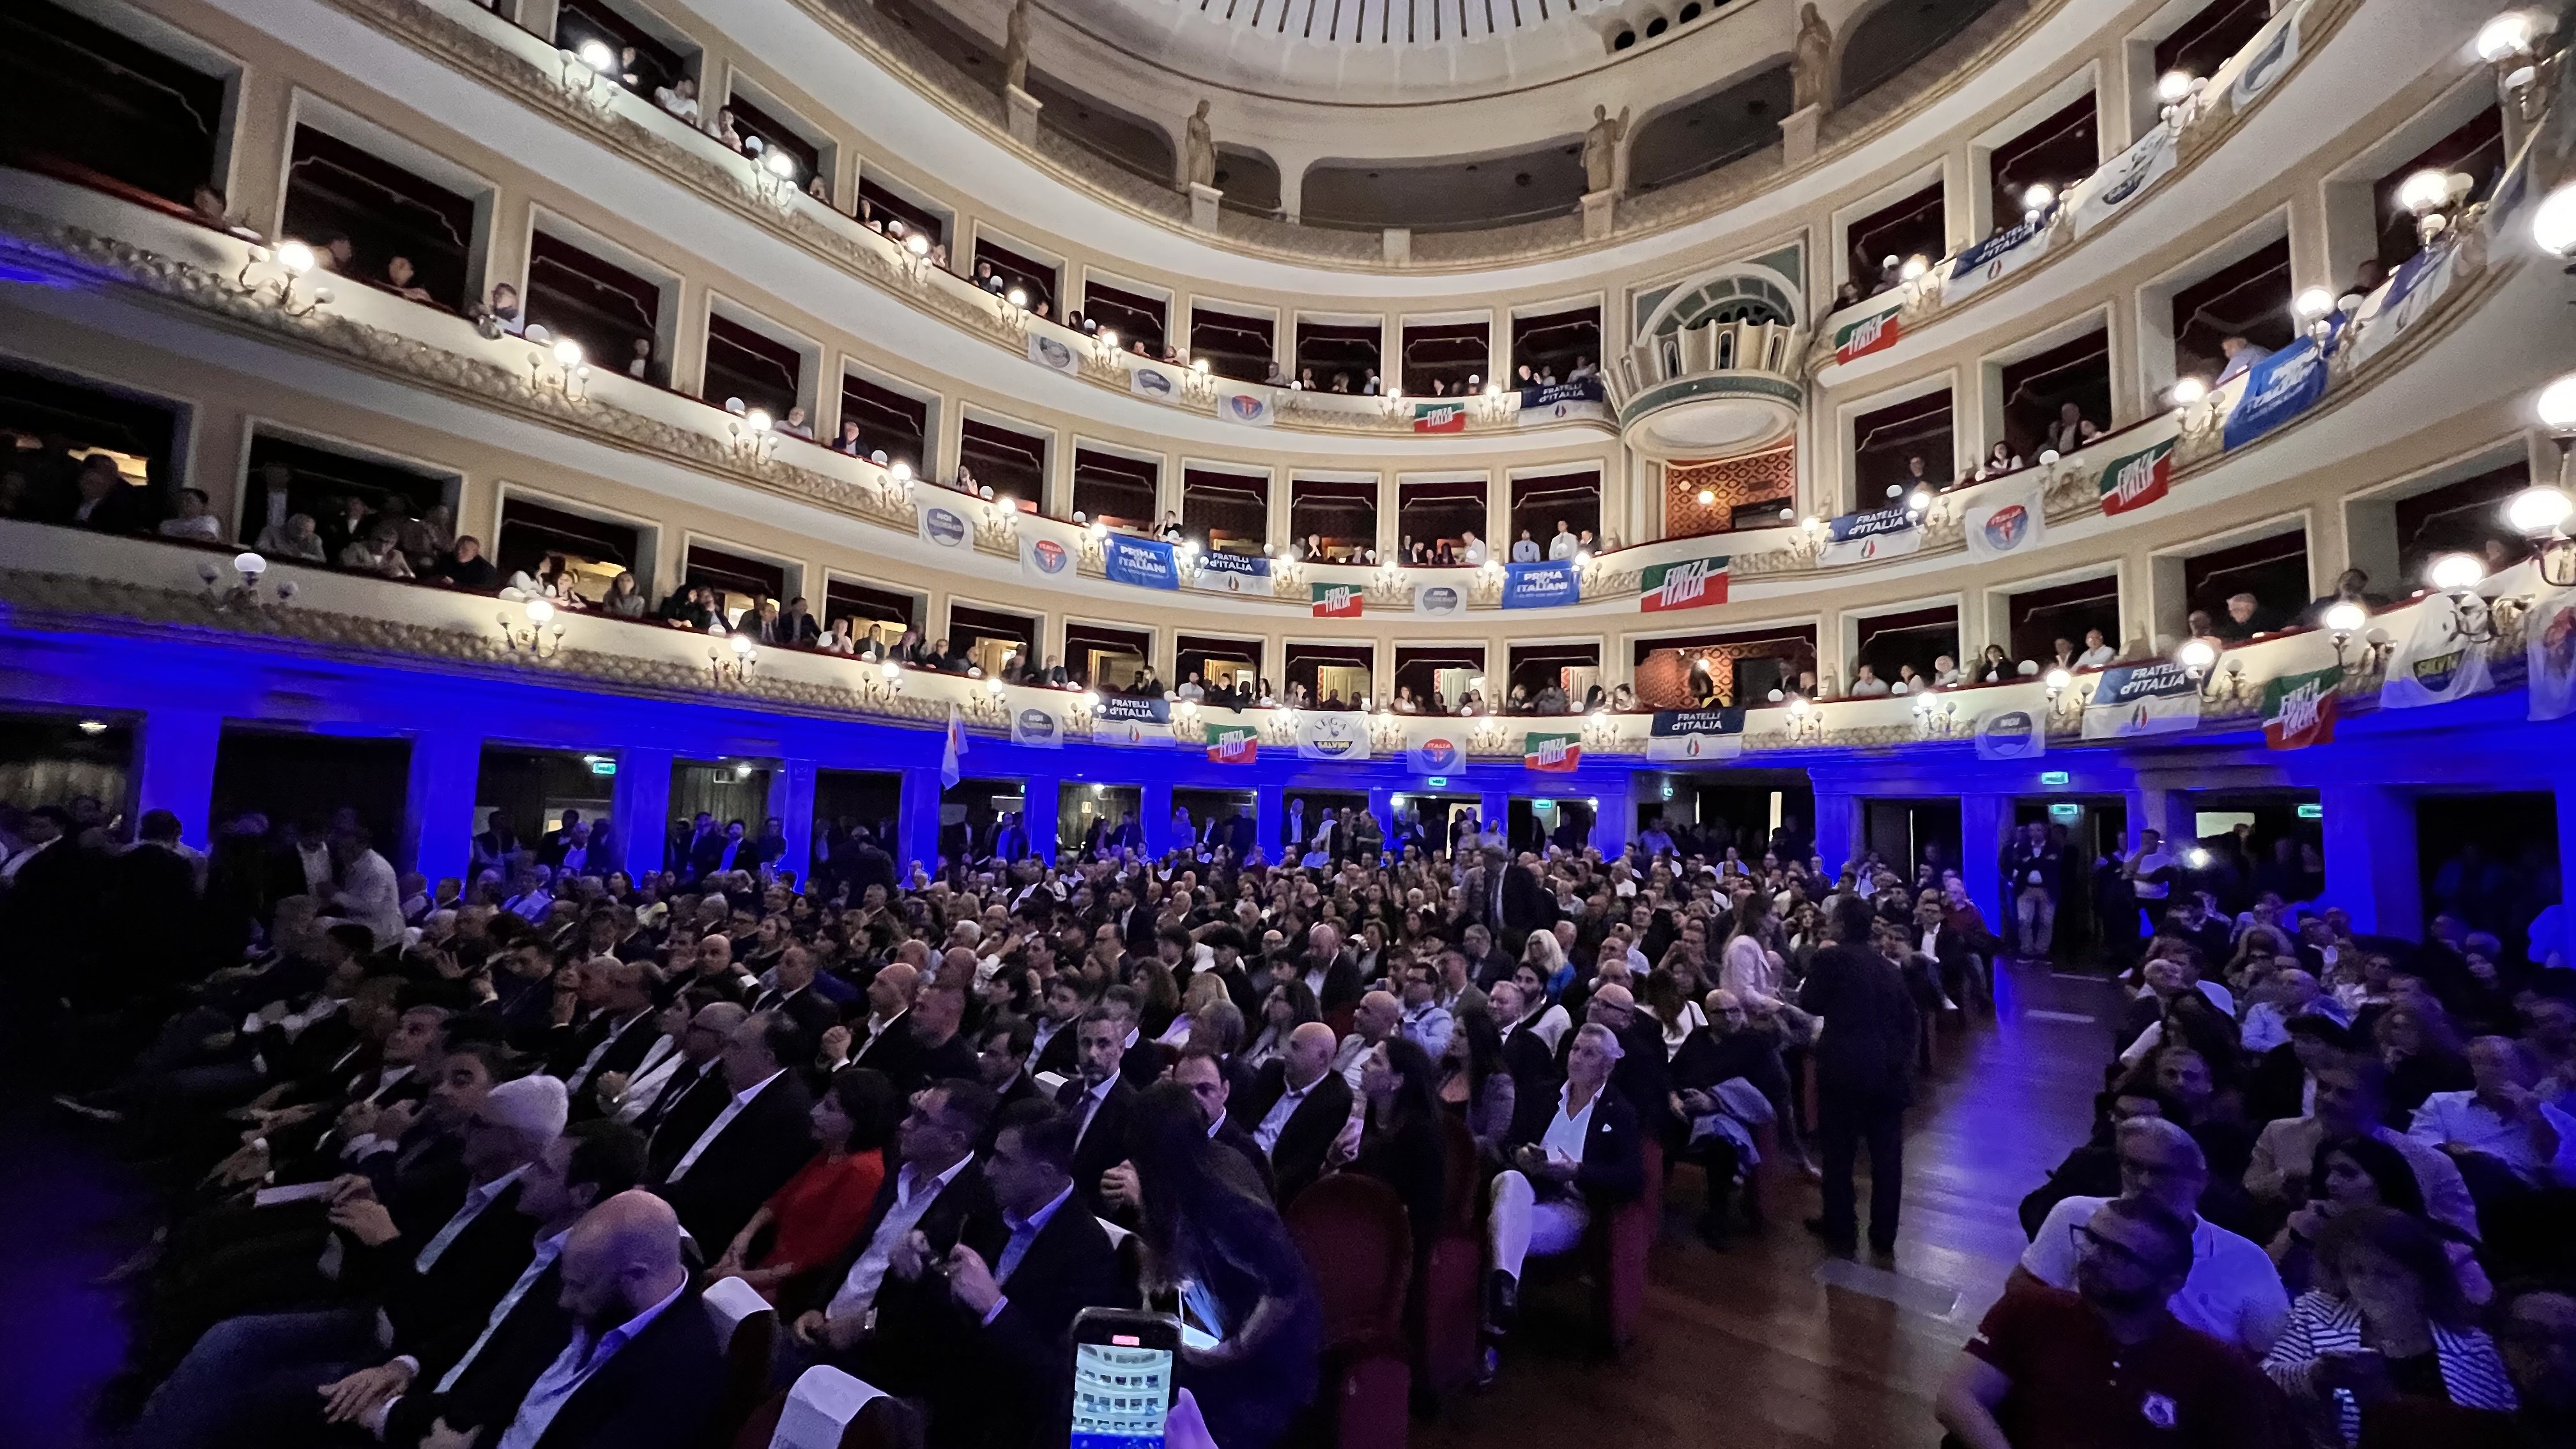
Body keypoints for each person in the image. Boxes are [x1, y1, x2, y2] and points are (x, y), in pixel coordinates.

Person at [1938, 1195, 2288, 1449]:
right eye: (2091, 1239)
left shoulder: (2215, 1367)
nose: (2091, 1257)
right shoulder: (2032, 1309)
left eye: (2118, 1253)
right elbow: (1958, 1396)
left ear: (2171, 1282)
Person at [1126, 1082, 1321, 1449]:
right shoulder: (1209, 1163)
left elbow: (1286, 1286)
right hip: (1223, 1335)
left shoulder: (1222, 1204)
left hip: (1266, 1370)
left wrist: (1233, 1351)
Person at [468, 1191, 728, 1449]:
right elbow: (510, 1375)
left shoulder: (683, 1377)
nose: (564, 1300)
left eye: (579, 1287)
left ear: (636, 1276)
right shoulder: (595, 1282)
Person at [2014, 1119, 2290, 1357]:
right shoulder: (2073, 1215)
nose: (2145, 1182)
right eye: (2134, 1167)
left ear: (2200, 1180)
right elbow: (2021, 1304)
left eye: (2162, 1172)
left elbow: (2273, 1359)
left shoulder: (2247, 1260)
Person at [2262, 1206, 2518, 1446]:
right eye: (2357, 1271)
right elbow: (2266, 1379)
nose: (2369, 1284)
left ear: (2423, 1279)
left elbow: (2496, 1434)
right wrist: (2313, 1374)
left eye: (2387, 1273)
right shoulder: (2318, 1313)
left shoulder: (2475, 1348)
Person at [1484, 1023, 1644, 1362]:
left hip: (1571, 1204)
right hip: (1529, 1185)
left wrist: (1578, 1172)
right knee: (1511, 1182)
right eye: (1575, 1050)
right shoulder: (1544, 1093)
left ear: (1608, 1065)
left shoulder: (1620, 1111)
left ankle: (1493, 1327)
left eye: (1590, 1054)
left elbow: (1632, 1177)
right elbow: (1510, 1142)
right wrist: (1523, 1156)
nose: (1578, 1059)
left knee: (1503, 1229)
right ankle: (1502, 1297)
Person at [706, 1069, 898, 1303]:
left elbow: (815, 1259)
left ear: (857, 1121)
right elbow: (779, 1200)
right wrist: (742, 1239)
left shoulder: (864, 1172)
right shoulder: (834, 1148)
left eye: (829, 1108)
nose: (814, 1111)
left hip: (786, 1292)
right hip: (766, 1265)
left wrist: (741, 1278)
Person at [1798, 894, 1918, 1255]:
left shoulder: (1830, 958)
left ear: (1839, 925)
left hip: (1843, 1070)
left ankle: (1841, 1226)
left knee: (1839, 1153)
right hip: (1887, 1072)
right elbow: (1908, 1020)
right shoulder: (1888, 968)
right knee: (1887, 1157)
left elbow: (1810, 1004)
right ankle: (1884, 1235)